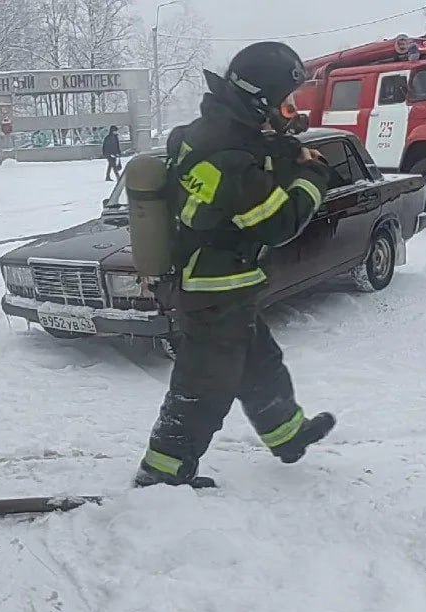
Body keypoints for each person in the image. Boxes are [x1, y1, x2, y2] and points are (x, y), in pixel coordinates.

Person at [135, 42, 337, 489]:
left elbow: (253, 161)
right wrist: (313, 176)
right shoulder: (224, 155)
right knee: (203, 386)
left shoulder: (214, 133)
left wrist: (284, 154)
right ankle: (162, 474)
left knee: (260, 363)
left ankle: (287, 435)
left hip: (227, 285)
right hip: (211, 289)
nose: (292, 111)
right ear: (259, 99)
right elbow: (276, 222)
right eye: (287, 101)